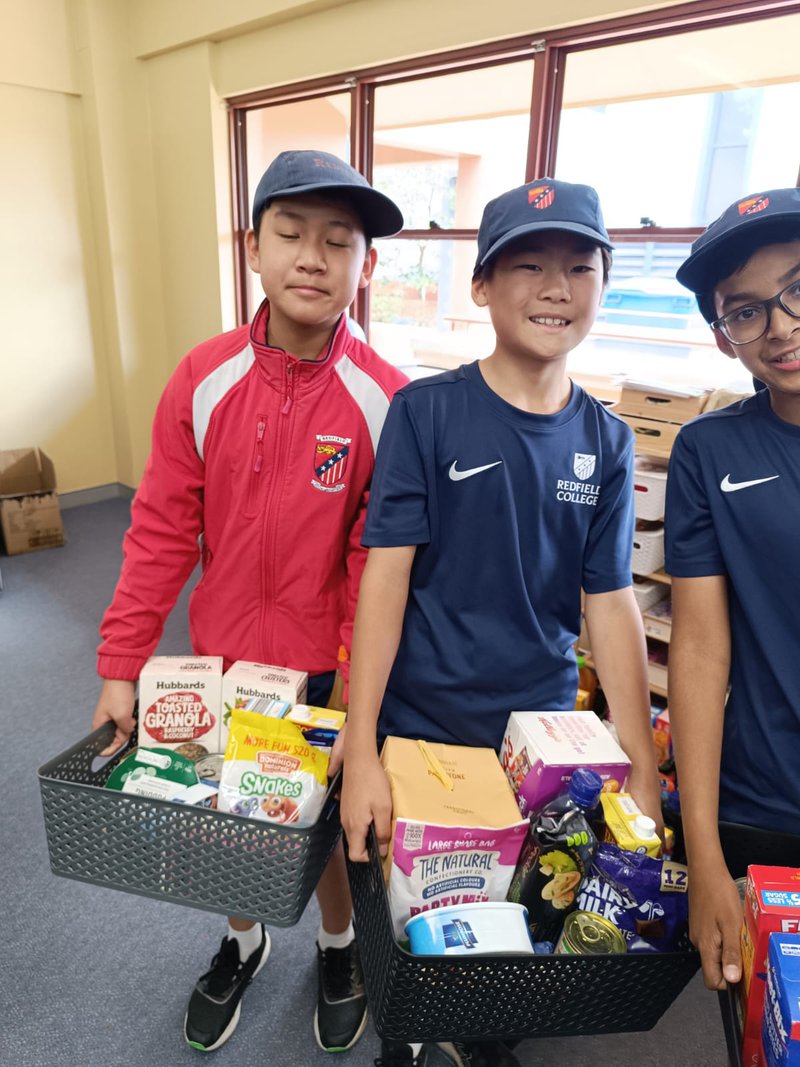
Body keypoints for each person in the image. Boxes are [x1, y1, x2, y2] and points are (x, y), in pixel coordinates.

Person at [90, 149, 409, 1055]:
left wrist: (350, 697)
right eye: (291, 233)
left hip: (323, 670)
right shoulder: (204, 376)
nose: (312, 257)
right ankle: (243, 940)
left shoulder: (387, 399)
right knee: (228, 819)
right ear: (254, 247)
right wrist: (121, 663)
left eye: (338, 241)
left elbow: (375, 566)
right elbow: (160, 530)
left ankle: (338, 947)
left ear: (366, 265)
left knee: (324, 830)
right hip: (220, 659)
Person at [341, 177, 663, 1067]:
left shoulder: (607, 439)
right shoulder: (427, 412)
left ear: (603, 284)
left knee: (515, 920)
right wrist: (360, 746)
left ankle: (482, 1035)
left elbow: (610, 601)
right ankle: (406, 1034)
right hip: (424, 725)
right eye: (528, 265)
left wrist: (639, 763)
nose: (556, 288)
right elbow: (385, 581)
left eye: (579, 267)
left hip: (538, 742)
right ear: (482, 285)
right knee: (414, 924)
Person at [665, 186, 800, 992]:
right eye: (746, 311)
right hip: (759, 807)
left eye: (797, 289)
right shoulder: (708, 451)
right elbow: (699, 648)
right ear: (724, 336)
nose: (780, 325)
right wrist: (704, 852)